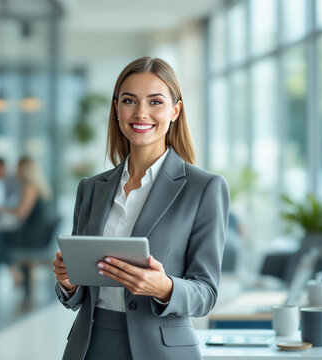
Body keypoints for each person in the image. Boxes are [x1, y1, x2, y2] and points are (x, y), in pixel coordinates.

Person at [52, 57, 229, 360]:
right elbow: (81, 294)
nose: (141, 112)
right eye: (129, 100)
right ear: (117, 109)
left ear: (175, 110)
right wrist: (68, 283)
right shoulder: (91, 188)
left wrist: (164, 287)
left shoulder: (204, 188)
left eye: (155, 101)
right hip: (90, 346)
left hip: (160, 350)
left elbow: (206, 294)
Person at [0, 157, 53, 291]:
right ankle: (12, 275)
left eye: (17, 169)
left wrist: (1, 208)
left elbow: (21, 213)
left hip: (32, 238)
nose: (15, 173)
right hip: (37, 235)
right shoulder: (37, 187)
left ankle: (7, 276)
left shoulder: (29, 187)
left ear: (24, 171)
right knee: (0, 241)